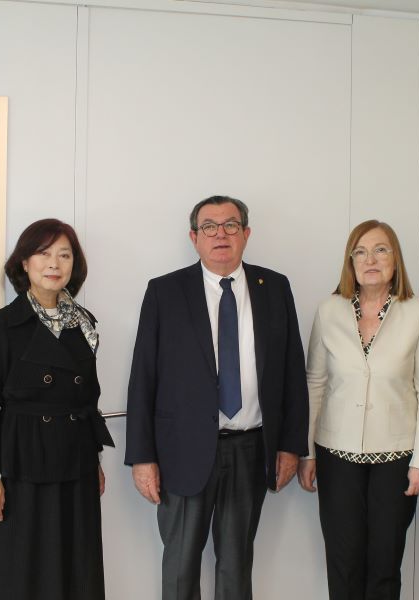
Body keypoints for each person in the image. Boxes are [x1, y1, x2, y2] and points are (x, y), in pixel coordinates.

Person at [125, 195, 308, 600]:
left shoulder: (274, 288)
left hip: (250, 448)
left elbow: (293, 372)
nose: (220, 234)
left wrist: (292, 447)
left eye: (230, 225)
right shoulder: (165, 292)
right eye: (209, 226)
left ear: (246, 234)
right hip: (182, 451)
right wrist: (142, 457)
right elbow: (144, 378)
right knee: (180, 566)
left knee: (237, 564)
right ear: (194, 237)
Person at [298, 219, 419, 600]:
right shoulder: (329, 310)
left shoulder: (418, 313)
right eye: (360, 251)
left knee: (384, 564)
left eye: (380, 249)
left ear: (396, 259)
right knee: (343, 562)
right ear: (350, 262)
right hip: (336, 454)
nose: (370, 259)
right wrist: (307, 452)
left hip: (397, 459)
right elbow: (315, 383)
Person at [0, 218, 114, 599]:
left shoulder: (84, 323)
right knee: (26, 568)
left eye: (64, 255)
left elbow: (87, 399)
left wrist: (95, 459)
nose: (55, 263)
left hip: (77, 460)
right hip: (23, 463)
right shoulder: (2, 325)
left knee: (77, 565)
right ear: (24, 263)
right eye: (44, 253)